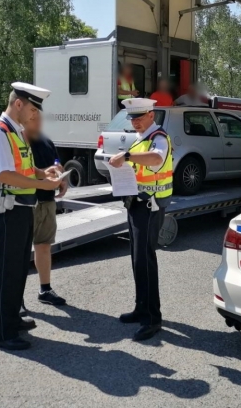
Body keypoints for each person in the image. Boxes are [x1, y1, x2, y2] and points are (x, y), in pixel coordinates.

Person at [0, 82, 63, 351]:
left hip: (20, 209)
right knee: (5, 272)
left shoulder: (15, 132)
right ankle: (2, 334)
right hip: (4, 212)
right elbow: (4, 174)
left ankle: (12, 319)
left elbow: (23, 168)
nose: (35, 115)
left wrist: (42, 173)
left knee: (16, 270)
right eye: (32, 110)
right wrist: (42, 184)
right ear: (18, 104)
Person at [108, 98, 173, 342]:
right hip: (137, 204)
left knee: (145, 260)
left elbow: (156, 159)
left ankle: (152, 319)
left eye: (139, 117)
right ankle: (141, 307)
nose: (134, 122)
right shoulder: (141, 138)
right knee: (137, 260)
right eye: (132, 118)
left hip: (149, 206)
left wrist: (126, 156)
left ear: (151, 115)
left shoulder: (158, 138)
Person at [23, 110, 68, 307]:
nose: (37, 122)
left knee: (43, 246)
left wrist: (61, 176)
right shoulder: (19, 142)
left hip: (47, 201)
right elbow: (20, 170)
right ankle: (15, 299)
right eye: (33, 118)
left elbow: (56, 162)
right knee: (20, 251)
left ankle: (45, 289)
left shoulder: (46, 141)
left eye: (39, 119)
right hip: (26, 202)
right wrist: (44, 175)